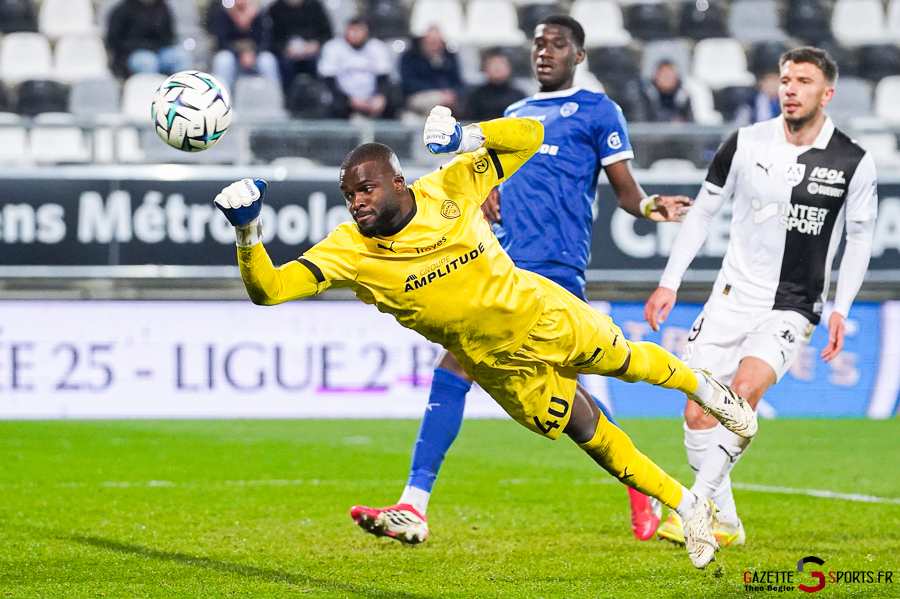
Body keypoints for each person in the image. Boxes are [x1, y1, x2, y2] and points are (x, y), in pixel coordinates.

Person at [214, 106, 760, 570]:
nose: (355, 200)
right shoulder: (348, 251)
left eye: (365, 188)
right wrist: (248, 232)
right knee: (588, 431)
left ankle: (713, 394)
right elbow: (271, 289)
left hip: (541, 314)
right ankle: (686, 505)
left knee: (627, 361)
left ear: (398, 181)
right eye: (347, 193)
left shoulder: (451, 184)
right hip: (498, 367)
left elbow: (532, 135)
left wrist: (465, 137)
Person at [349, 15, 698, 546]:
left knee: (558, 392)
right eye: (538, 44)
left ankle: (417, 503)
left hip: (558, 266)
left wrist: (652, 206)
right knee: (475, 369)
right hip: (504, 267)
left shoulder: (599, 111)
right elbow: (487, 178)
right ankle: (414, 505)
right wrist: (485, 195)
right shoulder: (513, 114)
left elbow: (625, 190)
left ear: (578, 56)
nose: (545, 52)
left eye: (557, 44)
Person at [644, 47, 877, 548]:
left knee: (742, 395)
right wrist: (670, 281)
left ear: (826, 93)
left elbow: (859, 239)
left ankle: (695, 508)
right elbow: (703, 212)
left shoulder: (852, 161)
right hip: (729, 298)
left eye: (804, 81)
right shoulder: (745, 143)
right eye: (786, 79)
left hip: (792, 305)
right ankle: (726, 520)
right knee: (697, 414)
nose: (790, 89)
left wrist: (841, 308)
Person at [317, 18, 399, 119]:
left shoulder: (377, 47)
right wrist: (349, 99)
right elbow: (328, 80)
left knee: (394, 98)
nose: (356, 34)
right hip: (343, 98)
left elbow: (383, 77)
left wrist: (380, 97)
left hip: (371, 98)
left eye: (359, 30)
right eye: (353, 30)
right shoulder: (333, 47)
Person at [106, 0, 192, 78]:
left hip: (159, 51)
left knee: (181, 56)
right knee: (148, 62)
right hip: (133, 54)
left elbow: (169, 34)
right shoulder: (122, 10)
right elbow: (114, 40)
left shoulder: (162, 7)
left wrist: (160, 45)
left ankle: (182, 90)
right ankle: (151, 92)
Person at [207, 0, 281, 91]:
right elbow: (221, 41)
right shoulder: (223, 12)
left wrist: (253, 53)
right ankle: (220, 98)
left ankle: (274, 97)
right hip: (233, 55)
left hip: (255, 56)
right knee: (223, 60)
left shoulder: (259, 13)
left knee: (267, 60)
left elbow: (265, 41)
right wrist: (240, 54)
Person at [266, 0, 332, 93]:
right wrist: (285, 49)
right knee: (284, 64)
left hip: (312, 52)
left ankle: (316, 97)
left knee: (317, 63)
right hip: (286, 54)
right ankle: (287, 99)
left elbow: (327, 33)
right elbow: (271, 38)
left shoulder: (314, 5)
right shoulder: (275, 8)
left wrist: (316, 44)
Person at [399, 26, 465, 117]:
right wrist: (439, 93)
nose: (433, 45)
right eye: (430, 41)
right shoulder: (410, 57)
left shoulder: (450, 58)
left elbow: (458, 81)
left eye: (436, 42)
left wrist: (451, 93)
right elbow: (408, 83)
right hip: (418, 95)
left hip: (446, 97)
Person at [464, 51, 525, 121]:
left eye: (501, 65)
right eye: (493, 65)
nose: (497, 68)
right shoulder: (476, 96)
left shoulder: (518, 96)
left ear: (509, 68)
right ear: (485, 69)